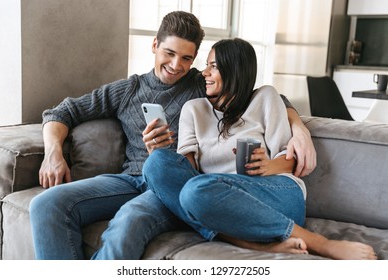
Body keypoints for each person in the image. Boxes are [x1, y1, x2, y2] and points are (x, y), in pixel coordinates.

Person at [29, 11, 315, 260]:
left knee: (128, 221)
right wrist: (53, 154)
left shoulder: (200, 83)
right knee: (46, 204)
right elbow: (61, 112)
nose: (177, 65)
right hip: (130, 179)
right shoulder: (127, 89)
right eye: (169, 53)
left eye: (187, 58)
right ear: (155, 45)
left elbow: (249, 92)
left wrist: (298, 127)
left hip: (175, 184)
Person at [142, 38, 377, 260]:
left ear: (235, 71)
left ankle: (321, 243)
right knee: (158, 165)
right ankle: (249, 242)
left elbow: (290, 160)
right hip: (218, 198)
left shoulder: (265, 97)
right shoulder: (193, 109)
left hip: (276, 192)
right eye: (206, 66)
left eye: (213, 66)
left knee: (195, 190)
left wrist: (267, 166)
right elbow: (188, 175)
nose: (204, 73)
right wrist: (162, 154)